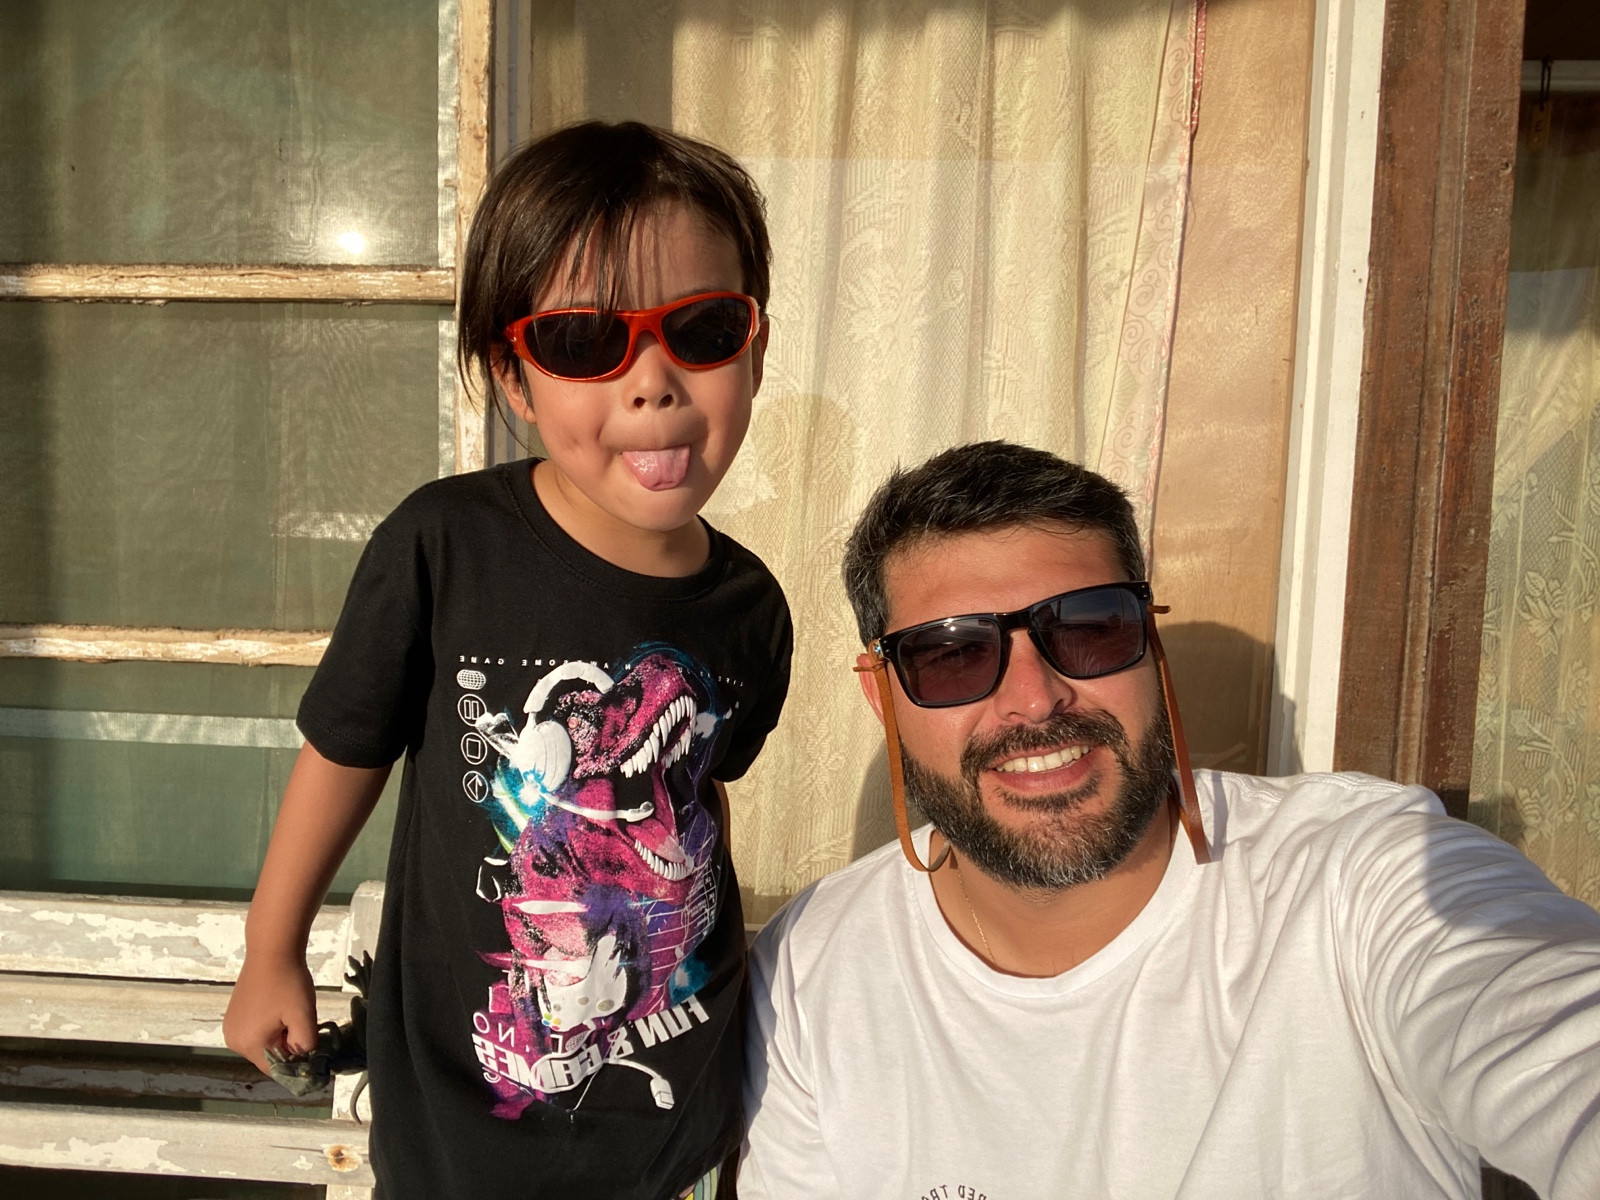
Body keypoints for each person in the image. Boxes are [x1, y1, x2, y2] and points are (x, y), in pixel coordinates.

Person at [739, 440, 1600, 1199]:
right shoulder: (812, 975)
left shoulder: (1364, 878)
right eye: (954, 653)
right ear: (882, 699)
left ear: (1150, 645)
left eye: (1088, 628)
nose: (1036, 699)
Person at [223, 120, 792, 1200]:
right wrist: (271, 948)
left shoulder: (752, 607)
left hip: (678, 1113)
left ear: (755, 350)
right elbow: (345, 748)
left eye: (704, 329)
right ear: (513, 378)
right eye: (583, 341)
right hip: (459, 1120)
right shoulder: (442, 545)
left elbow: (700, 798)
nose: (653, 382)